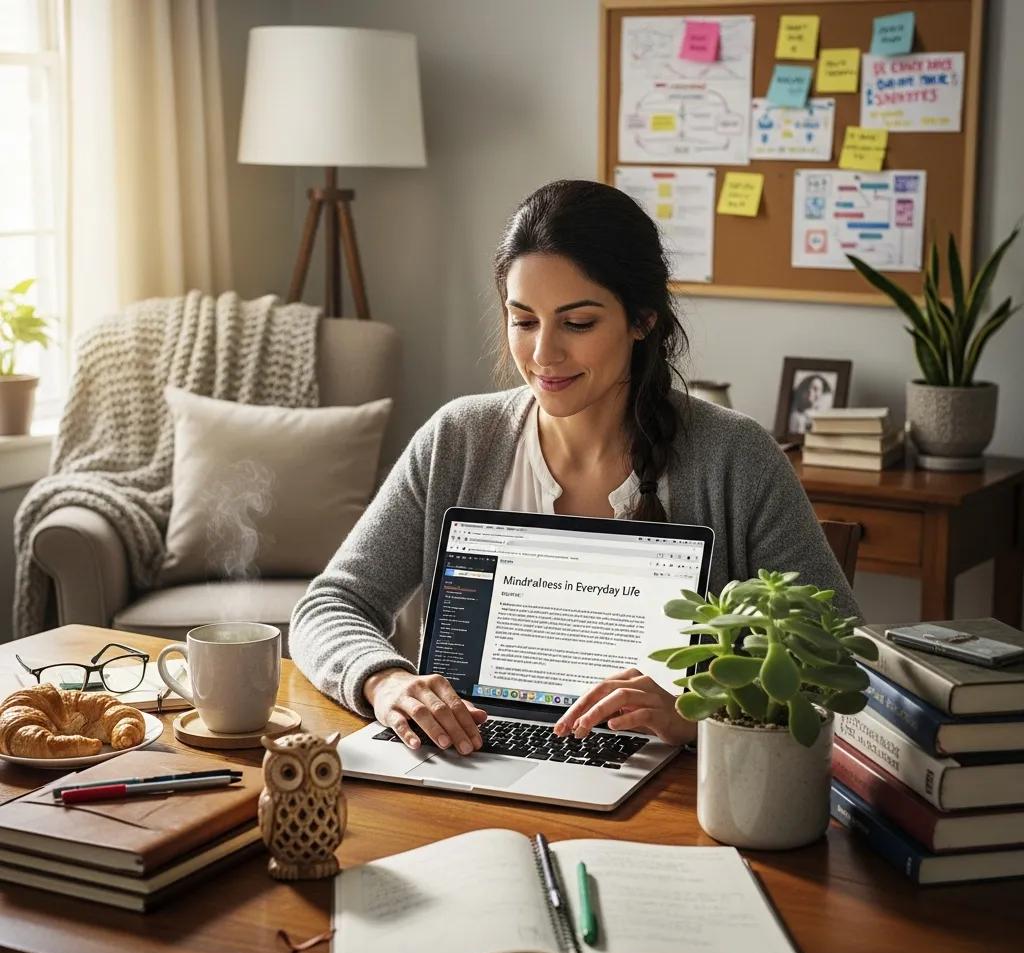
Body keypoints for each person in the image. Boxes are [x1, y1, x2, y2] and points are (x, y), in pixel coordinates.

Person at [289, 179, 858, 756]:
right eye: (524, 321)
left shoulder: (736, 457)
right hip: (467, 760)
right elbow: (329, 605)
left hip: (677, 788)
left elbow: (843, 660)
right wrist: (384, 680)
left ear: (643, 319)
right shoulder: (457, 440)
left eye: (578, 323)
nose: (544, 354)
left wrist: (702, 711)